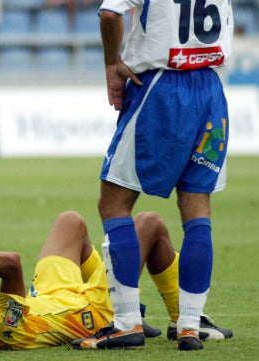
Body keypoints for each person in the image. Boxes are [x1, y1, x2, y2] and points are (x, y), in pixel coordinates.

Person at [75, 0, 234, 351]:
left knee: (114, 201)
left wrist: (112, 63)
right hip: (210, 92)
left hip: (161, 89)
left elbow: (110, 12)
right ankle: (190, 324)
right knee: (197, 209)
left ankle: (126, 321)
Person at [0, 211, 232, 352]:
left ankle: (133, 307)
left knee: (71, 223)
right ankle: (178, 318)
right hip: (91, 309)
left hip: (50, 293)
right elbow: (11, 264)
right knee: (150, 224)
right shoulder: (3, 330)